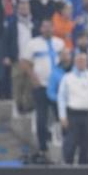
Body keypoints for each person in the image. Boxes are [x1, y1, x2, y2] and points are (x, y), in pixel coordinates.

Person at [19, 19, 64, 157]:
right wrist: (34, 78)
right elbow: (24, 62)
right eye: (45, 27)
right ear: (40, 29)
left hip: (57, 87)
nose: (48, 29)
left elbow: (65, 60)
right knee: (42, 117)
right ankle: (43, 146)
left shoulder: (59, 43)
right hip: (41, 86)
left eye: (50, 27)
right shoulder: (33, 44)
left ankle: (62, 141)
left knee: (60, 115)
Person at [57, 52, 88, 165]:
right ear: (74, 62)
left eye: (83, 60)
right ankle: (67, 169)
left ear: (87, 62)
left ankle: (84, 173)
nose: (81, 62)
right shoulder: (67, 78)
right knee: (70, 144)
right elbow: (61, 98)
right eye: (79, 60)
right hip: (73, 115)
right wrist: (62, 117)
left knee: (86, 146)